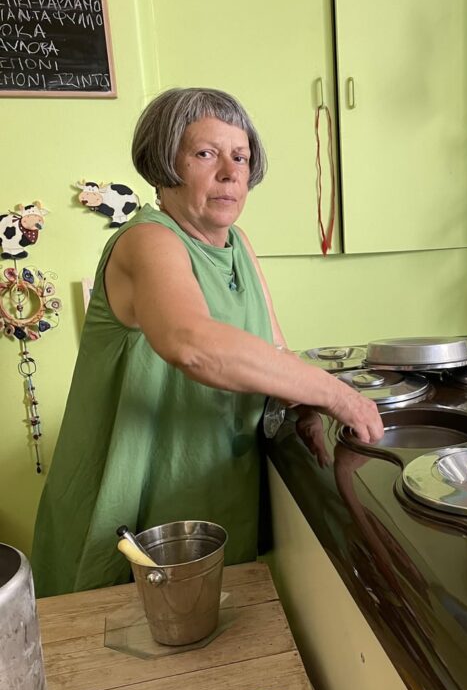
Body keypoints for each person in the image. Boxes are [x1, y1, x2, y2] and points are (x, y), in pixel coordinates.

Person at [31, 87, 383, 596]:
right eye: (205, 154)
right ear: (163, 166)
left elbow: (273, 351)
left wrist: (302, 403)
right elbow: (192, 343)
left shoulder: (239, 246)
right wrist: (335, 394)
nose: (230, 172)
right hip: (128, 505)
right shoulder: (147, 240)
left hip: (207, 499)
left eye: (240, 157)